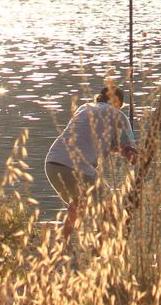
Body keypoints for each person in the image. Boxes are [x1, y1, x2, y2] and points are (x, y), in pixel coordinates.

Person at [44, 83, 137, 238]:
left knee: (77, 204)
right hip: (77, 167)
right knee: (110, 207)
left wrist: (119, 148)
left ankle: (63, 244)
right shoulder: (118, 115)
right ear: (118, 103)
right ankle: (100, 252)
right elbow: (130, 153)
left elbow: (90, 138)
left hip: (53, 163)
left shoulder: (84, 109)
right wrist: (134, 154)